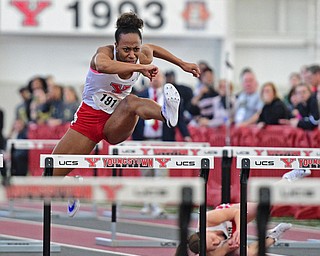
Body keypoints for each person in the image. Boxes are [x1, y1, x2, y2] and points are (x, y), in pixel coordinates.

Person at [50, 12, 200, 217]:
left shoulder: (142, 54)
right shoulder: (104, 53)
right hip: (88, 123)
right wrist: (141, 67)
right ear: (115, 46)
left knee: (131, 101)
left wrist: (182, 64)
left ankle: (166, 113)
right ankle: (72, 186)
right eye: (126, 49)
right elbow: (104, 66)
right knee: (49, 175)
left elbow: (153, 49)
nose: (131, 54)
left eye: (136, 49)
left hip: (116, 122)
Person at [175, 168, 311, 256]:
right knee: (247, 254)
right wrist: (230, 246)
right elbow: (226, 249)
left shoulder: (208, 220)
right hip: (231, 235)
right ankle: (274, 235)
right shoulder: (212, 252)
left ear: (204, 233)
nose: (216, 242)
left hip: (232, 215)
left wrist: (239, 230)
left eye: (212, 240)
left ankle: (287, 178)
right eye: (213, 246)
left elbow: (236, 213)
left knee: (263, 204)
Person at [132, 70, 191, 217]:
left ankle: (158, 206)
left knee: (161, 174)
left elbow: (180, 118)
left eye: (158, 77)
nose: (155, 80)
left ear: (164, 80)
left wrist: (186, 135)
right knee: (146, 173)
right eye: (152, 77)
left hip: (162, 140)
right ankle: (147, 204)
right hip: (144, 140)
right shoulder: (141, 95)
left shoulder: (170, 97)